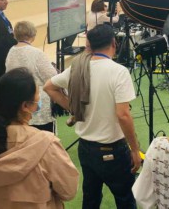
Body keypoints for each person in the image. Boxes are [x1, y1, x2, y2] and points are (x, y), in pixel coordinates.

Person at [45, 24, 141, 209]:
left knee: (90, 197)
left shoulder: (77, 68)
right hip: (113, 150)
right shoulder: (119, 72)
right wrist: (135, 150)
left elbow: (49, 86)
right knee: (125, 199)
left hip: (86, 148)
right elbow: (123, 115)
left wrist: (73, 108)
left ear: (90, 44)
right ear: (114, 43)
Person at [0, 68, 79, 208]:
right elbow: (68, 191)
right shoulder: (47, 144)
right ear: (25, 106)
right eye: (37, 99)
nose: (39, 102)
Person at [5, 21, 58, 132]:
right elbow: (52, 77)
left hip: (19, 102)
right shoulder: (37, 53)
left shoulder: (10, 52)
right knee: (43, 137)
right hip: (38, 104)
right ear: (32, 35)